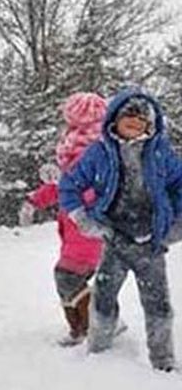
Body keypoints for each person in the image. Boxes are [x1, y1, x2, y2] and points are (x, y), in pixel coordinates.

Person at [59, 89, 182, 372]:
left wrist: (175, 223)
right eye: (129, 115)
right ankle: (98, 354)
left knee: (158, 305)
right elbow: (69, 185)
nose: (135, 121)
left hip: (151, 243)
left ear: (151, 123)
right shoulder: (99, 152)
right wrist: (83, 219)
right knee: (103, 298)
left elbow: (179, 185)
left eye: (142, 117)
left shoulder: (160, 152)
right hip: (114, 238)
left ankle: (163, 361)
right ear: (114, 117)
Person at [18, 93, 108, 346]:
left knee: (67, 277)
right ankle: (85, 327)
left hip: (87, 232)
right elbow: (61, 186)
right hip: (80, 232)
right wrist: (35, 199)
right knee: (70, 278)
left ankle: (97, 325)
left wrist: (64, 192)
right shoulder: (80, 150)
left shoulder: (93, 153)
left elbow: (85, 190)